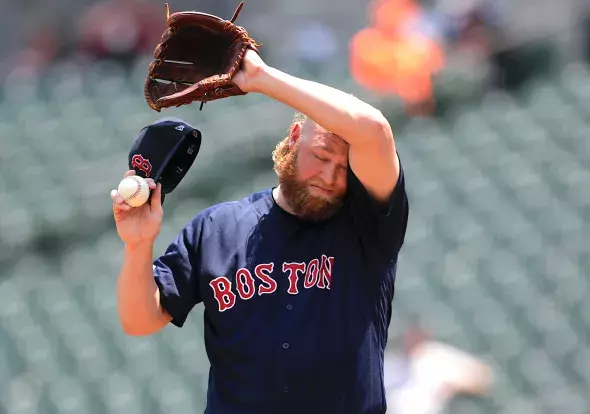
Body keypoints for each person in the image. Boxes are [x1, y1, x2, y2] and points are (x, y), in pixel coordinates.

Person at [111, 49, 409, 414]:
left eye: (344, 168)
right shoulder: (216, 228)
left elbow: (374, 130)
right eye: (321, 156)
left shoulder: (368, 224)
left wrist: (261, 79)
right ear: (295, 136)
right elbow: (139, 320)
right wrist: (138, 245)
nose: (330, 177)